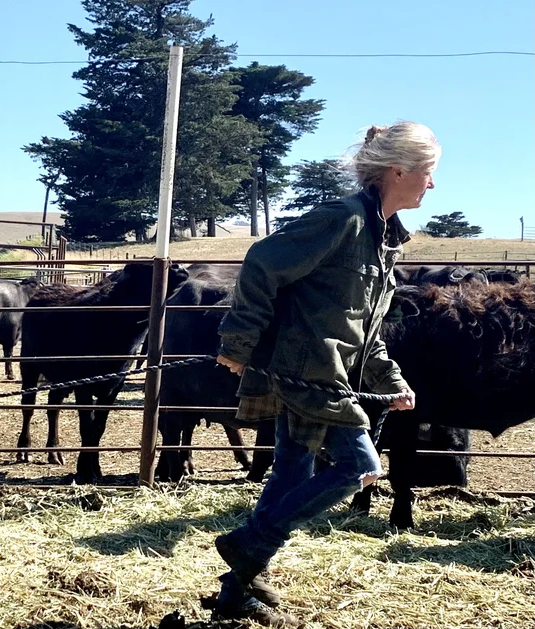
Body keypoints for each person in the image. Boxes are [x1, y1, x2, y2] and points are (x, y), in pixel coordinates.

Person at [209, 121, 441, 627]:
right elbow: (261, 262)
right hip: (305, 373)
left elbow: (363, 329)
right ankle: (249, 545)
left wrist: (391, 380)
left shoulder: (383, 239)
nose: (431, 184)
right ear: (398, 170)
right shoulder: (343, 220)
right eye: (428, 173)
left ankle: (234, 592)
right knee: (360, 468)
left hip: (331, 375)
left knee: (290, 475)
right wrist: (239, 343)